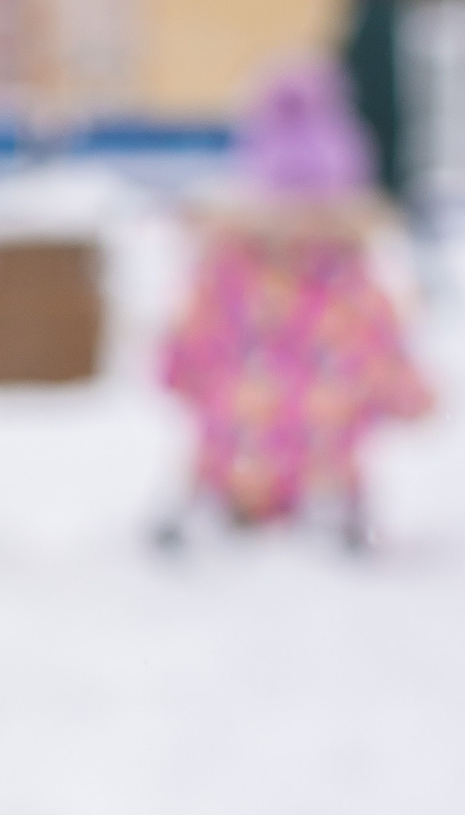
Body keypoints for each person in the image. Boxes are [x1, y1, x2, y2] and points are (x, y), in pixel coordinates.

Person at [159, 61, 433, 552]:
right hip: (237, 454)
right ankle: (220, 508)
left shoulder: (350, 283)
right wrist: (179, 368)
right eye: (287, 214)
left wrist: (406, 391)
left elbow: (381, 344)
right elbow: (192, 339)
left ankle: (331, 514)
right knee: (229, 467)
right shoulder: (227, 275)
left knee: (325, 482)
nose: (302, 230)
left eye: (319, 215)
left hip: (327, 455)